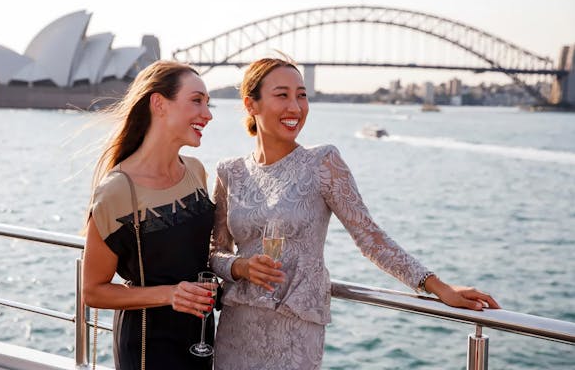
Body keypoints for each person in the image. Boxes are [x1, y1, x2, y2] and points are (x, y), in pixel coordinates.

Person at [209, 57, 500, 369]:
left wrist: (437, 286)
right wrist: (239, 268)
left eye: (302, 95)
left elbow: (370, 238)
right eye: (282, 95)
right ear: (251, 104)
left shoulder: (323, 163)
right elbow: (214, 252)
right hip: (237, 326)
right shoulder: (231, 172)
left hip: (294, 330)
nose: (295, 107)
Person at [82, 60, 216, 370]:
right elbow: (92, 291)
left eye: (207, 103)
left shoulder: (196, 172)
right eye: (196, 101)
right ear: (159, 104)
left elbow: (198, 252)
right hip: (146, 346)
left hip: (200, 337)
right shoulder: (116, 190)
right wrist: (171, 295)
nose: (207, 114)